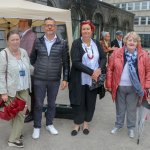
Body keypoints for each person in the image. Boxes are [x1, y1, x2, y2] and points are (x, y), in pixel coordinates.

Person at [30, 17, 70, 139]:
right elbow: (32, 59)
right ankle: (37, 127)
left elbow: (66, 63)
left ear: (55, 27)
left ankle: (49, 124)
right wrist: (35, 70)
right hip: (39, 79)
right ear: (43, 27)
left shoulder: (62, 43)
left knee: (52, 103)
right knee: (38, 104)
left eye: (52, 25)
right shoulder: (37, 42)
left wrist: (65, 79)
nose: (49, 27)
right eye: (47, 25)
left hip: (54, 79)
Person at [106, 31, 150, 138]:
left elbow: (148, 71)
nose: (132, 42)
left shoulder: (143, 55)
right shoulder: (117, 53)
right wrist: (109, 83)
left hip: (134, 88)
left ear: (137, 43)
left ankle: (131, 128)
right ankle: (118, 125)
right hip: (119, 86)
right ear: (125, 41)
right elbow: (110, 69)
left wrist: (147, 86)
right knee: (120, 108)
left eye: (135, 41)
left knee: (131, 109)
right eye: (130, 40)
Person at [69, 20, 107, 136]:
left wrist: (99, 69)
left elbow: (103, 58)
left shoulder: (96, 43)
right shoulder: (76, 43)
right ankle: (77, 124)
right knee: (78, 102)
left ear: (92, 31)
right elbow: (75, 62)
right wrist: (92, 72)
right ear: (81, 31)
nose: (86, 31)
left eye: (88, 29)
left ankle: (86, 123)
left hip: (93, 81)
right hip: (78, 79)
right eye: (83, 29)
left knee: (90, 102)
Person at [0, 30, 31, 148]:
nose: (15, 42)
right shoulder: (4, 54)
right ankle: (13, 140)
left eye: (17, 39)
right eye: (12, 39)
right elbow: (1, 74)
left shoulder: (23, 52)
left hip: (23, 88)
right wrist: (3, 92)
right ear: (8, 41)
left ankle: (16, 133)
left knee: (19, 114)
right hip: (10, 90)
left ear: (20, 40)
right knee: (16, 114)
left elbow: (28, 67)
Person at [18, 19, 37, 123]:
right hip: (24, 69)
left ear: (25, 22)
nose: (17, 24)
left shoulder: (31, 35)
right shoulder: (24, 35)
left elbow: (28, 54)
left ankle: (32, 114)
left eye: (19, 21)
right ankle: (29, 112)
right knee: (28, 92)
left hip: (29, 70)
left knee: (32, 93)